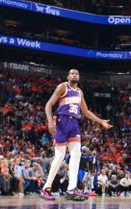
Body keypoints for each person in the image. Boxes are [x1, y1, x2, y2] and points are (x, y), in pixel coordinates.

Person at [40, 69, 112, 201]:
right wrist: (50, 122)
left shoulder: (80, 92)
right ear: (68, 76)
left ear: (79, 77)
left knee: (77, 154)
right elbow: (48, 105)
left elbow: (86, 111)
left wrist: (101, 121)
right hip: (62, 121)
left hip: (74, 123)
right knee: (60, 156)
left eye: (77, 74)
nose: (74, 75)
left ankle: (71, 189)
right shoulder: (63, 87)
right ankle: (46, 188)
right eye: (72, 74)